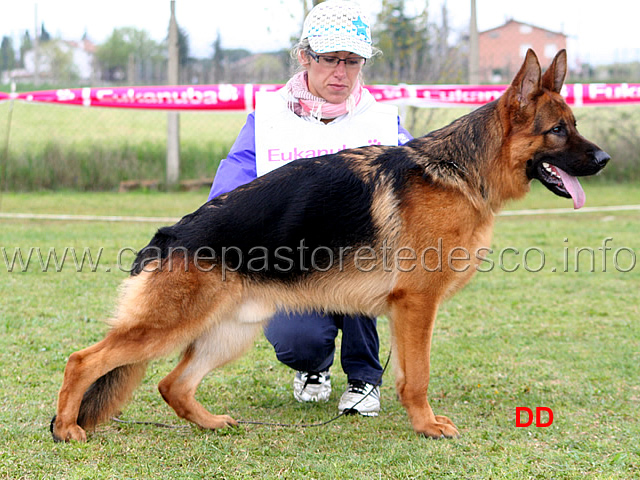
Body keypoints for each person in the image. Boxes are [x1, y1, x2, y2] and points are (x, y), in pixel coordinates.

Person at [206, 0, 412, 416]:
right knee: (296, 342)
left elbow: (418, 184)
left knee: (365, 255)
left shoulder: (382, 123)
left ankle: (363, 378)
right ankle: (312, 367)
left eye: (352, 62)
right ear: (304, 56)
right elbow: (232, 185)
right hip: (291, 260)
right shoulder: (268, 118)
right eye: (330, 59)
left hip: (362, 257)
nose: (341, 72)